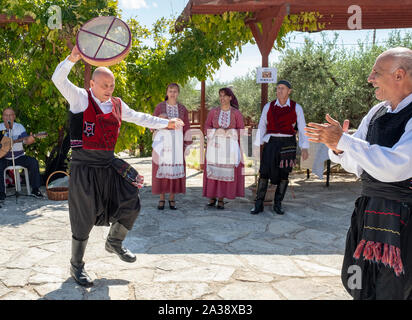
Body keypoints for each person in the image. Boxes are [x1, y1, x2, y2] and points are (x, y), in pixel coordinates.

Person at [52, 45, 183, 287]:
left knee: (131, 200)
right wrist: (71, 58)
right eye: (104, 85)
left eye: (111, 86)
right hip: (84, 167)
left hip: (108, 164)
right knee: (84, 217)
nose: (108, 90)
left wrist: (166, 124)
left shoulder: (118, 105)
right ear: (92, 84)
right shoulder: (80, 98)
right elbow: (58, 79)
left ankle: (114, 241)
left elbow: (141, 117)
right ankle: (76, 265)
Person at [304, 47, 412, 300]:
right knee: (360, 280)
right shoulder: (376, 112)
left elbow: (398, 166)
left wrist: (346, 141)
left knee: (396, 286)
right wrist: (338, 148)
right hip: (369, 210)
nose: (370, 78)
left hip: (404, 216)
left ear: (399, 75)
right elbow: (359, 165)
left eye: (376, 72)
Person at [250, 80, 309, 215]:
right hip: (271, 143)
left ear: (289, 91)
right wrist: (256, 145)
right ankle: (258, 204)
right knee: (264, 172)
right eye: (277, 88)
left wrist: (305, 147)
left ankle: (278, 204)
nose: (279, 91)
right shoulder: (268, 106)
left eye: (282, 88)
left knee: (284, 174)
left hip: (288, 144)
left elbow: (302, 127)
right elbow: (262, 125)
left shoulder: (296, 107)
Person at [203, 87, 245, 210]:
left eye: (225, 96)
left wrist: (229, 132)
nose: (222, 98)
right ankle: (212, 196)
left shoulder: (236, 113)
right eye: (220, 96)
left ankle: (221, 198)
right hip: (214, 147)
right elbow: (206, 126)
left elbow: (241, 130)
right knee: (213, 171)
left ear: (230, 97)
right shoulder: (213, 112)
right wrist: (217, 131)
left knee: (223, 172)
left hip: (229, 148)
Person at [151, 83, 191, 210]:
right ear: (167, 92)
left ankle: (172, 198)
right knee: (161, 168)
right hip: (163, 142)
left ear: (178, 93)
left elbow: (187, 127)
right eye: (170, 91)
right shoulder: (160, 107)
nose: (172, 93)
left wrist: (187, 144)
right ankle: (162, 198)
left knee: (174, 169)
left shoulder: (183, 109)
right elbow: (152, 123)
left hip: (177, 143)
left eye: (175, 91)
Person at [0, 108, 44, 201]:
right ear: (3, 117)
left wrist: (31, 139)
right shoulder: (0, 127)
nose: (8, 117)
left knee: (33, 162)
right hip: (4, 158)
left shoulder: (19, 127)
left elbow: (26, 140)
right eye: (6, 115)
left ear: (14, 117)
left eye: (11, 115)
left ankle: (35, 189)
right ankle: (1, 193)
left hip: (19, 157)